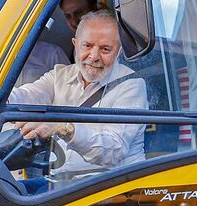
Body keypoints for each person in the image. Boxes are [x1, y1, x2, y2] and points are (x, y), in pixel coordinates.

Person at [8, 10, 148, 183]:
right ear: (75, 44)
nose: (94, 56)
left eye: (105, 49)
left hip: (112, 185)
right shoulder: (60, 74)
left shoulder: (131, 85)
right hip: (63, 182)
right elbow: (29, 94)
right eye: (87, 46)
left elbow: (114, 151)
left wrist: (63, 127)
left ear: (118, 51)